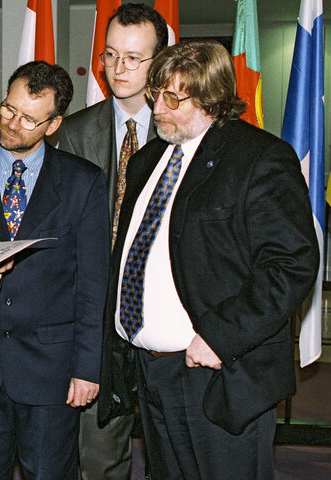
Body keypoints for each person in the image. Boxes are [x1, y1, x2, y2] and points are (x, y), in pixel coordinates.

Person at [98, 39, 319, 479]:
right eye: (154, 94)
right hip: (151, 371)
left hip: (218, 373)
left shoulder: (259, 157)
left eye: (173, 98)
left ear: (211, 99)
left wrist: (220, 336)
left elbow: (291, 263)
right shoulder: (147, 161)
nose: (157, 107)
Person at [0, 61, 110, 479]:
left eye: (28, 118)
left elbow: (93, 284)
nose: (12, 124)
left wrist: (87, 368)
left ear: (53, 125)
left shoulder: (83, 182)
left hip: (50, 367)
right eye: (8, 109)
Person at [58, 2, 168, 480]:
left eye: (134, 58)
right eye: (110, 55)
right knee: (100, 453)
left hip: (168, 318)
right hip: (100, 320)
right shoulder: (76, 132)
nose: (118, 69)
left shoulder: (181, 133)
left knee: (176, 450)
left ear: (160, 61)